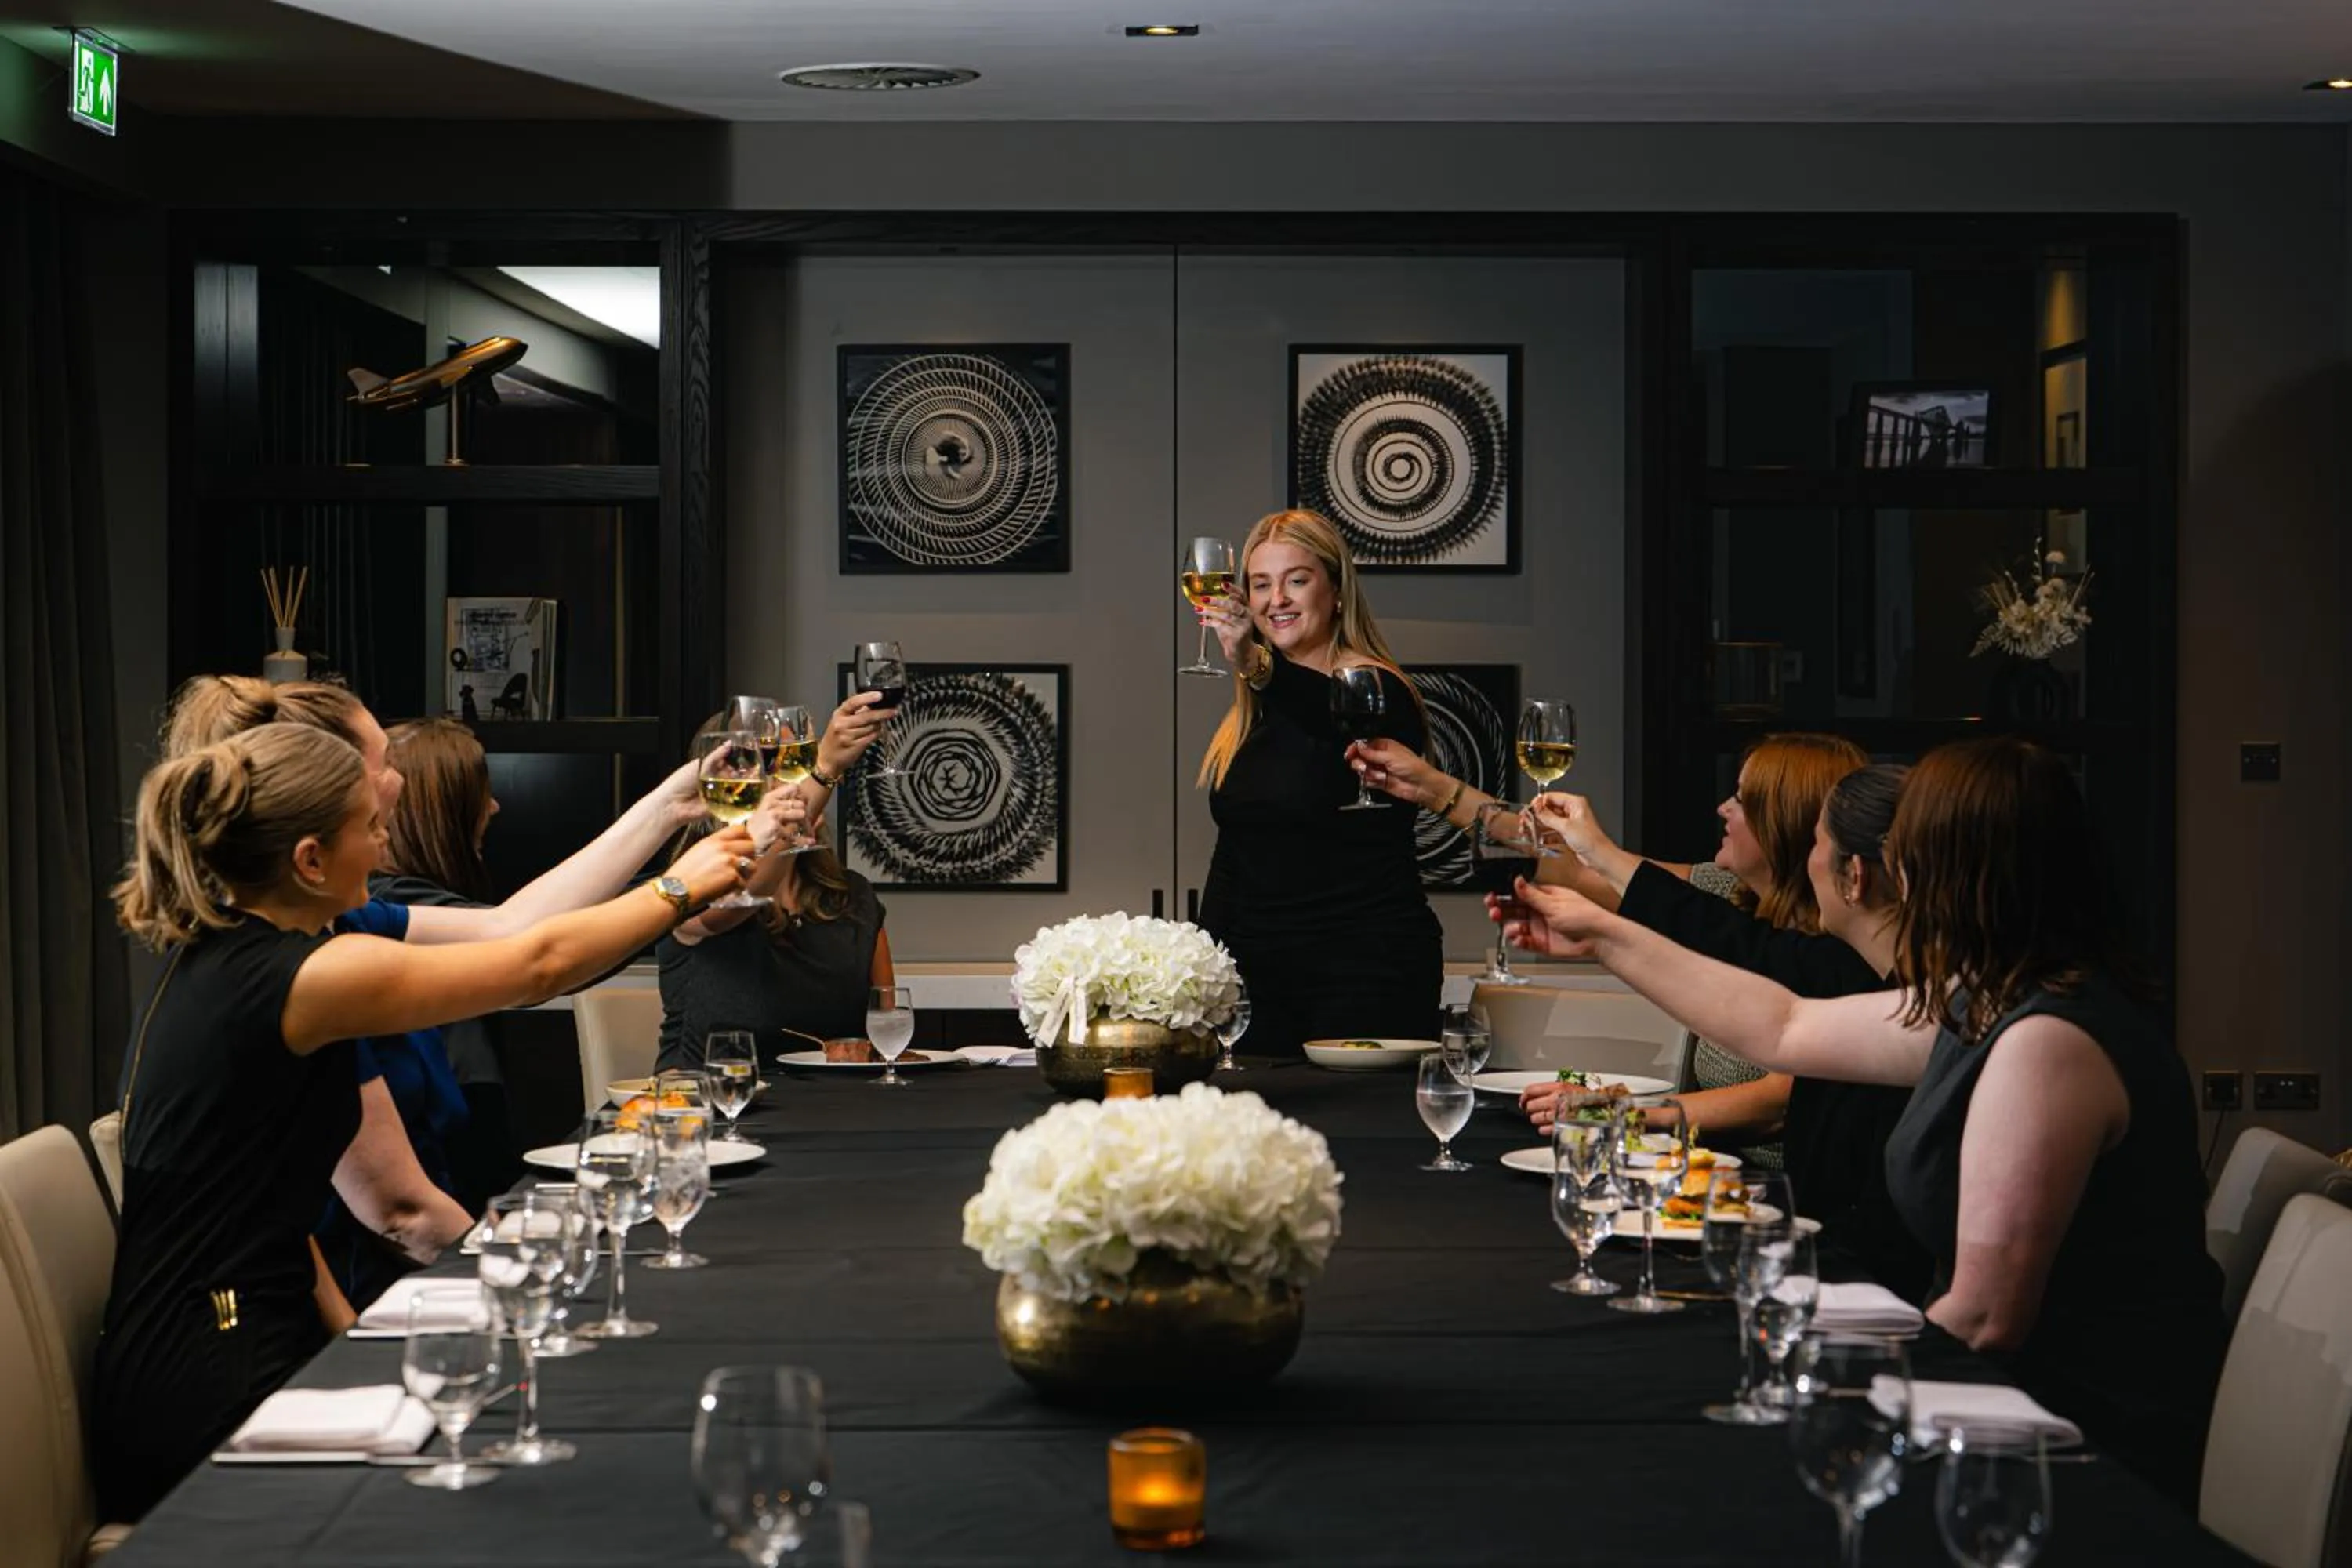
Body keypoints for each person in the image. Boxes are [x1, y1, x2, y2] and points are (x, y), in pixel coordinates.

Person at [1498, 736, 2223, 1495]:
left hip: (2068, 1459)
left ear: (1954, 874)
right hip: (1999, 1411)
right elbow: (1784, 1026)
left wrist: (1829, 1402)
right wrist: (1605, 937)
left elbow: (1983, 1319)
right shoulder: (1989, 999)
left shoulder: (2052, 1040)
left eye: (1909, 860)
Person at [96, 723, 753, 1520]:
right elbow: (536, 965)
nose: (383, 850)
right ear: (309, 860)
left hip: (222, 1330)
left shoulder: (233, 950)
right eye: (370, 829)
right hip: (207, 1373)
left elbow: (263, 1204)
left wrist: (348, 1336)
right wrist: (678, 888)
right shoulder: (306, 974)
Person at [1354, 730, 1867, 1160]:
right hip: (1693, 1164)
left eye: (1742, 798)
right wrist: (1433, 789)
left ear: (1785, 822)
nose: (1722, 808)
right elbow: (1562, 864)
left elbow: (1776, 1102)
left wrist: (1617, 1114)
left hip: (1767, 1191)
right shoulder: (1722, 894)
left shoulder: (1831, 953)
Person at [1520, 766, 1930, 1300]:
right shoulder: (1869, 975)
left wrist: (1606, 938)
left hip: (1871, 1296)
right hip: (1832, 1271)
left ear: (1855, 876)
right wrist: (1604, 939)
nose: (1810, 863)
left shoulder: (1914, 1002)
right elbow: (1734, 951)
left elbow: (1760, 998)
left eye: (1818, 844)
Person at [1191, 509, 1440, 1053]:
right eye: (1261, 584)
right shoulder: (1251, 715)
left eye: (1296, 580)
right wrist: (1199, 969)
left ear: (1337, 591)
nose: (1276, 599)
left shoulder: (1378, 690)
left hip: (1365, 976)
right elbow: (1232, 856)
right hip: (1258, 985)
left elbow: (1333, 713)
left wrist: (1256, 666)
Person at [657, 724, 894, 1072]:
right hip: (708, 1108)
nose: (787, 779)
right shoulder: (689, 885)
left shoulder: (853, 896)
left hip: (832, 1108)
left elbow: (887, 1031)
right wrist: (824, 773)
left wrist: (866, 1052)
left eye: (792, 760)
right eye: (765, 761)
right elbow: (748, 891)